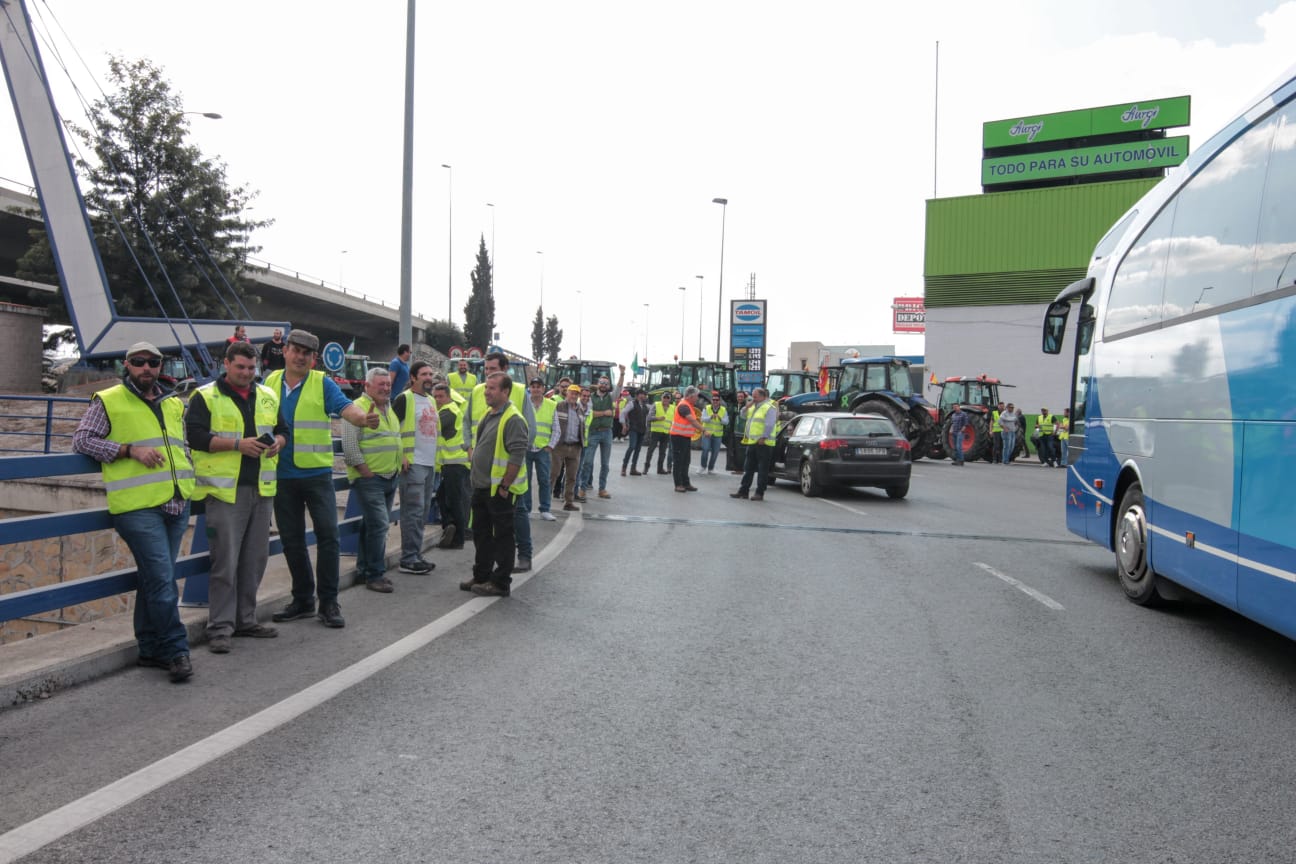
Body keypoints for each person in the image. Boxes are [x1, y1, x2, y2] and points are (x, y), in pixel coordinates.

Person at [73, 341, 196, 683]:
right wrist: (128, 450)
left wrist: (190, 482)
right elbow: (82, 440)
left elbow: (181, 446)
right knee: (162, 580)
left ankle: (150, 648)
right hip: (138, 508)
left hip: (175, 502)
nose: (146, 367)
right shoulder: (110, 400)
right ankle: (176, 650)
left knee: (154, 579)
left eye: (153, 362)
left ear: (160, 366)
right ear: (127, 364)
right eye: (139, 361)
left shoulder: (172, 402)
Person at [267, 329, 380, 629]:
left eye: (307, 353)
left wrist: (362, 419)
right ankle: (303, 599)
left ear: (314, 359)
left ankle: (329, 602)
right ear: (286, 351)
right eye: (296, 350)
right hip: (281, 475)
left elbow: (347, 408)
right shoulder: (269, 382)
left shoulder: (322, 383)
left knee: (329, 536)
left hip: (316, 475)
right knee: (291, 541)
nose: (300, 356)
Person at [186, 341, 287, 653]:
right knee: (225, 563)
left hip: (262, 488)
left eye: (251, 368)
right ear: (226, 364)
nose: (246, 373)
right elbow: (195, 437)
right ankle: (219, 628)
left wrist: (279, 442)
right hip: (224, 491)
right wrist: (236, 445)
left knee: (254, 560)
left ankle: (246, 619)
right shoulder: (204, 396)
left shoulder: (267, 395)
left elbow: (284, 429)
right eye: (240, 367)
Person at [460, 372, 528, 597]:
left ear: (505, 392)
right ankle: (482, 575)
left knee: (503, 536)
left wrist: (504, 486)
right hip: (481, 487)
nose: (486, 392)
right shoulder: (489, 415)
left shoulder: (513, 418)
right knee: (481, 534)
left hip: (498, 489)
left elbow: (517, 456)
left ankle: (500, 582)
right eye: (486, 388)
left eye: (492, 388)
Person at [342, 368, 403, 593]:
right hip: (371, 478)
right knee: (379, 524)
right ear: (367, 386)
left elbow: (393, 438)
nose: (386, 388)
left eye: (388, 384)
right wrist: (365, 471)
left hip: (389, 476)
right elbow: (349, 447)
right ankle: (375, 574)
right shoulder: (355, 409)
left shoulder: (388, 408)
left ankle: (364, 569)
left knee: (371, 525)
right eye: (381, 385)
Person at [393, 360, 438, 574]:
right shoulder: (404, 399)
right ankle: (408, 558)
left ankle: (415, 554)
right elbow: (392, 429)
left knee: (422, 513)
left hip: (429, 465)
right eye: (424, 374)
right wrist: (401, 455)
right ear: (413, 377)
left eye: (430, 374)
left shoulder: (430, 400)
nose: (429, 378)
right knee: (413, 512)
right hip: (413, 463)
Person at [432, 382, 468, 549]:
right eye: (436, 396)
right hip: (451, 462)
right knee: (441, 496)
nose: (438, 399)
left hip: (456, 462)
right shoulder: (447, 410)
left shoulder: (448, 412)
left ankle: (457, 537)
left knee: (454, 500)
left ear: (448, 396)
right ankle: (450, 527)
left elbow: (431, 427)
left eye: (441, 396)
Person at [579, 367, 624, 500]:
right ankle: (583, 488)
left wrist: (622, 373)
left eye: (606, 383)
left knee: (605, 463)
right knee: (587, 462)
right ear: (598, 384)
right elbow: (590, 413)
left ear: (608, 386)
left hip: (607, 432)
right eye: (601, 382)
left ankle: (602, 488)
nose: (603, 385)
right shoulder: (591, 398)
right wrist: (605, 413)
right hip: (593, 432)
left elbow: (620, 387)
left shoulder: (611, 397)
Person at [730, 387, 777, 500]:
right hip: (752, 442)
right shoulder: (754, 407)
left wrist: (764, 436)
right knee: (748, 468)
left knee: (762, 470)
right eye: (752, 396)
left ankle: (759, 493)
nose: (753, 398)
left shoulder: (769, 407)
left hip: (764, 443)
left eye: (755, 396)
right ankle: (743, 491)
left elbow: (770, 424)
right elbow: (742, 415)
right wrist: (747, 406)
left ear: (762, 396)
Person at [525, 377, 557, 521]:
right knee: (525, 481)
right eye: (533, 386)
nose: (536, 389)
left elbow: (556, 428)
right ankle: (525, 509)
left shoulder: (551, 405)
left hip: (543, 449)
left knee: (544, 480)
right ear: (530, 388)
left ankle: (545, 509)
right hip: (526, 448)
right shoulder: (524, 404)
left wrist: (551, 445)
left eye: (539, 386)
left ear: (543, 389)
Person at [551, 384, 586, 512]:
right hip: (559, 446)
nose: (574, 396)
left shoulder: (580, 410)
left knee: (572, 476)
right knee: (553, 474)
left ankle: (568, 502)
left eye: (576, 394)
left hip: (575, 447)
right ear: (567, 394)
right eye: (572, 393)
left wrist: (582, 443)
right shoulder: (558, 406)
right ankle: (545, 501)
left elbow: (582, 428)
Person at [670, 386, 704, 493]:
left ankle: (686, 483)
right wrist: (704, 430)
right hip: (678, 437)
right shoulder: (684, 406)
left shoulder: (689, 405)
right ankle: (678, 484)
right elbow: (692, 421)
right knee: (678, 461)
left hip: (685, 437)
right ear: (691, 396)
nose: (697, 399)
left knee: (685, 461)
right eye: (696, 396)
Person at [643, 391, 674, 475]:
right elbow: (649, 417)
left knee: (663, 452)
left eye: (668, 398)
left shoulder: (673, 408)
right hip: (656, 431)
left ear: (670, 399)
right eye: (664, 397)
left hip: (666, 432)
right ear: (661, 398)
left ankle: (660, 469)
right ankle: (646, 467)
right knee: (651, 450)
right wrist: (657, 418)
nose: (666, 399)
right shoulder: (656, 405)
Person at [620, 389, 649, 476]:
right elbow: (623, 412)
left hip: (642, 430)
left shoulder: (645, 406)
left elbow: (646, 418)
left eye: (644, 394)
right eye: (641, 394)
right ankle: (624, 467)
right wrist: (624, 425)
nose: (643, 396)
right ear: (637, 395)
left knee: (638, 449)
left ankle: (633, 468)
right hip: (633, 429)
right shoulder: (632, 403)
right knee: (632, 447)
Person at [699, 392, 728, 475]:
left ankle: (711, 468)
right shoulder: (706, 408)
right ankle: (702, 466)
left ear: (719, 401)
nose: (715, 401)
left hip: (718, 435)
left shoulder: (723, 410)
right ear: (711, 400)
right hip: (707, 433)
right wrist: (710, 417)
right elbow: (702, 419)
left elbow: (726, 422)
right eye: (714, 400)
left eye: (717, 400)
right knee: (705, 449)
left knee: (715, 452)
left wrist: (720, 418)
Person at [727, 390, 750, 473]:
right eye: (738, 397)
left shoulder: (746, 406)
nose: (740, 398)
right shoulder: (734, 405)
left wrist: (748, 397)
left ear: (744, 398)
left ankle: (741, 468)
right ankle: (736, 468)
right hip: (733, 431)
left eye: (741, 397)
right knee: (734, 451)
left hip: (742, 432)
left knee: (741, 452)